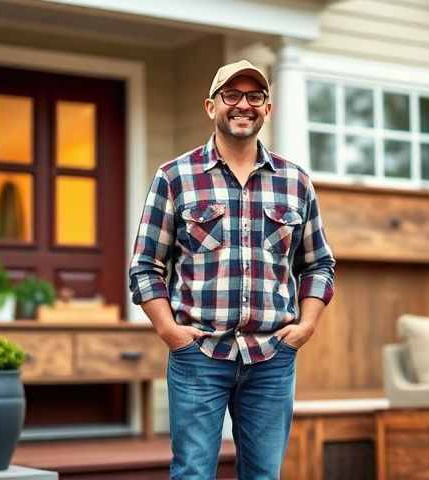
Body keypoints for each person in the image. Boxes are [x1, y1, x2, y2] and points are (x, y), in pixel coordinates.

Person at [128, 59, 336, 480]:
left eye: (255, 97)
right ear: (211, 106)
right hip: (198, 356)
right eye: (232, 95)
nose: (244, 105)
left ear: (268, 109)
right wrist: (171, 334)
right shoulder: (175, 177)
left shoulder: (295, 182)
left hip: (272, 357)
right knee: (192, 474)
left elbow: (318, 263)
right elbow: (146, 266)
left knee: (263, 475)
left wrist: (306, 326)